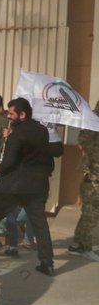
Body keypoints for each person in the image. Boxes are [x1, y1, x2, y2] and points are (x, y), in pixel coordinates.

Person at [0, 98, 60, 276]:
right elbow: (46, 154)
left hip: (14, 186)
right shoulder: (42, 130)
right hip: (38, 186)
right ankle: (47, 263)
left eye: (12, 113)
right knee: (40, 225)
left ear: (22, 114)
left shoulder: (18, 133)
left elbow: (9, 162)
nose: (9, 116)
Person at [68, 103, 99, 262]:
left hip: (90, 179)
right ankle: (86, 248)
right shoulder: (94, 126)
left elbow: (82, 143)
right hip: (95, 181)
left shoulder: (89, 125)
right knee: (92, 216)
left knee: (87, 214)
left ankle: (78, 245)